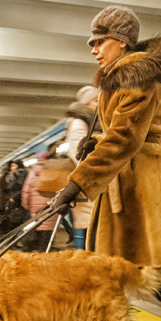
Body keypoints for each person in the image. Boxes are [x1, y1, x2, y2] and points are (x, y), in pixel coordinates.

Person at [52, 5, 161, 321]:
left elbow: (126, 137)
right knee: (113, 262)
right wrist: (96, 143)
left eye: (100, 41)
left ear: (122, 42)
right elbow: (122, 133)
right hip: (123, 175)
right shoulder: (120, 76)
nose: (94, 49)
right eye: (92, 43)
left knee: (142, 265)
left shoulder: (137, 77)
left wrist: (77, 184)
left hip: (137, 178)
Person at [64, 85, 99, 246]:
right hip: (87, 187)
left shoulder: (89, 121)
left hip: (90, 187)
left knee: (94, 232)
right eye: (95, 100)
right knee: (91, 233)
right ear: (86, 103)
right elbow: (78, 156)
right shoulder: (80, 123)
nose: (99, 103)